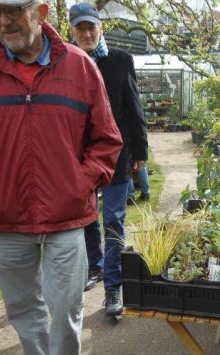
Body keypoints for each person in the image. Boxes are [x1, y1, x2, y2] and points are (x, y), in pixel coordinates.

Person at [0, 1, 123, 355]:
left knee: (67, 313)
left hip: (66, 217)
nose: (2, 21)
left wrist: (80, 183)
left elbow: (106, 139)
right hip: (5, 218)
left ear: (41, 12)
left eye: (12, 11)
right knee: (24, 315)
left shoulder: (79, 66)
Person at [69, 3, 148, 317]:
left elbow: (133, 106)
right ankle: (95, 266)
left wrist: (140, 151)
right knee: (86, 217)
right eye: (81, 28)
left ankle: (113, 287)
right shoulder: (64, 62)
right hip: (78, 159)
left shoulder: (119, 60)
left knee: (114, 220)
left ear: (100, 28)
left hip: (116, 155)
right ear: (72, 31)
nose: (87, 33)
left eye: (92, 27)